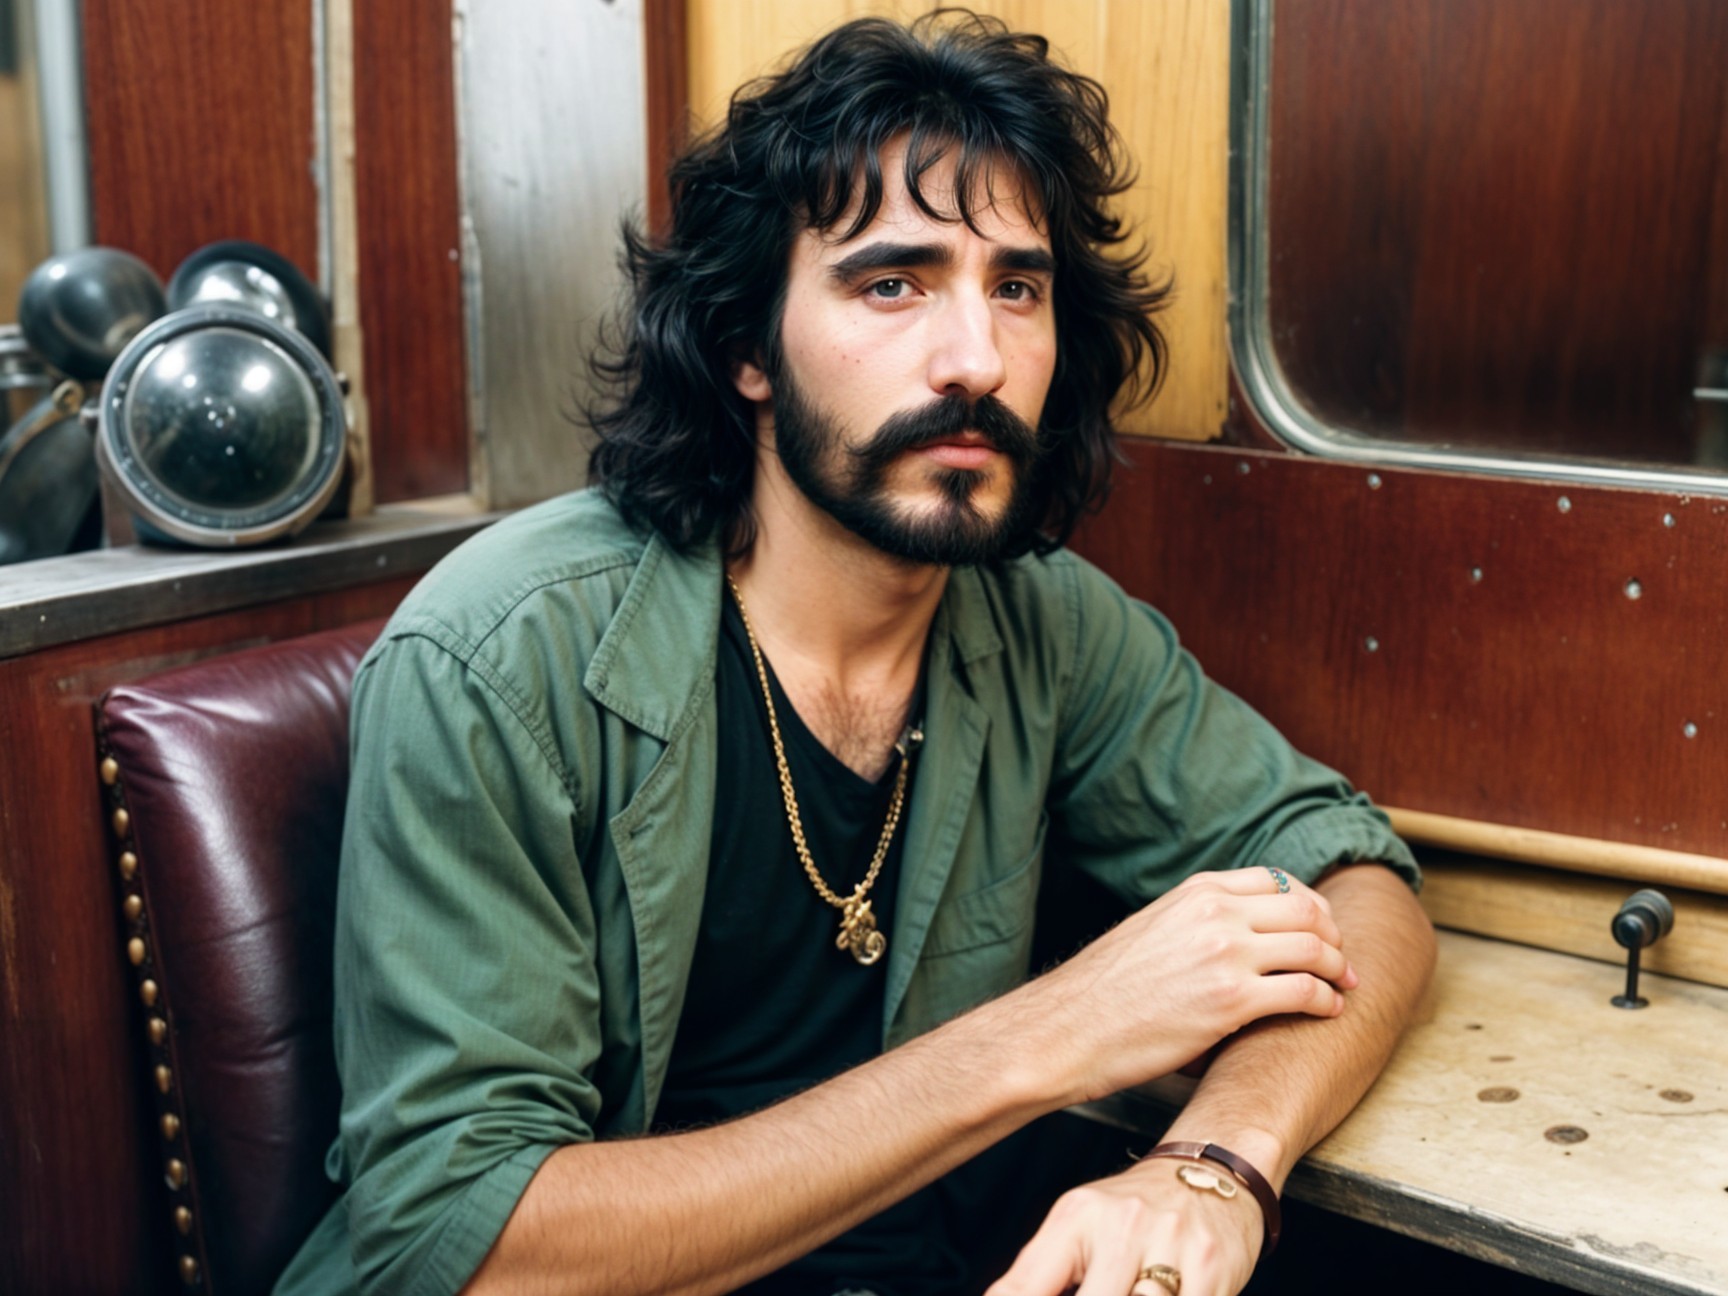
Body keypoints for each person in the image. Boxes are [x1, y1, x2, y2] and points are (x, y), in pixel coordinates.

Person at [276, 12, 1434, 1296]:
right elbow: (469, 1243)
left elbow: (1355, 877)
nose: (977, 359)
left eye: (1017, 287)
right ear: (746, 348)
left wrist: (1214, 1168)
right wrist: (1051, 1033)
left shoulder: (1038, 618)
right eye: (892, 283)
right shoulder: (499, 653)